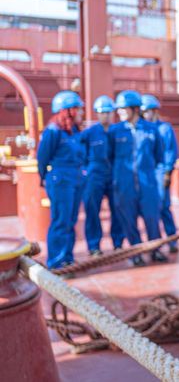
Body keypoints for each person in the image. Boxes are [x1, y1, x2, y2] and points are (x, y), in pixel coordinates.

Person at [108, 89, 166, 266]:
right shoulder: (114, 131)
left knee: (151, 218)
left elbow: (159, 155)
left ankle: (154, 250)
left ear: (134, 109)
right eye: (118, 109)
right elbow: (109, 156)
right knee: (128, 219)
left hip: (147, 182)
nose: (119, 112)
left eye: (123, 109)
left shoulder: (151, 130)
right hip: (124, 184)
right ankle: (136, 253)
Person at [37, 90, 86, 269]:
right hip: (60, 181)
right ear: (67, 110)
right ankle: (56, 262)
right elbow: (42, 158)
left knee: (71, 221)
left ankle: (67, 258)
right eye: (78, 109)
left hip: (75, 179)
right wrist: (44, 178)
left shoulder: (73, 131)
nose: (81, 113)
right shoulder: (53, 131)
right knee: (61, 220)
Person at [81, 95, 123, 254]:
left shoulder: (117, 131)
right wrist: (85, 172)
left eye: (108, 112)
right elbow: (80, 154)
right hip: (94, 176)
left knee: (117, 211)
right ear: (97, 114)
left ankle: (118, 242)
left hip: (113, 176)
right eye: (102, 112)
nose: (105, 115)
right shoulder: (89, 133)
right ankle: (94, 246)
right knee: (92, 211)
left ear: (113, 113)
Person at [141, 94, 179, 253]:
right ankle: (155, 243)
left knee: (164, 206)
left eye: (148, 112)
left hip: (161, 171)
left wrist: (167, 172)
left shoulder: (164, 129)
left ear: (155, 111)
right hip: (147, 173)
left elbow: (170, 151)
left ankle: (172, 239)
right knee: (150, 209)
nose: (145, 115)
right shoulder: (142, 129)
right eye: (143, 112)